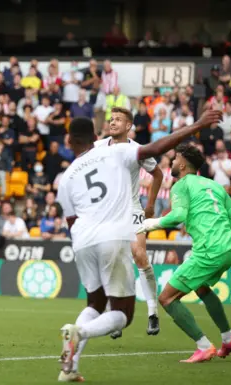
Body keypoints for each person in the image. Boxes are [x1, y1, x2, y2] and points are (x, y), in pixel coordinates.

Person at [56, 109, 222, 381]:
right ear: (96, 136)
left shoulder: (67, 177)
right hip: (110, 236)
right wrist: (197, 125)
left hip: (82, 241)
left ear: (69, 141)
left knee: (95, 304)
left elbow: (71, 220)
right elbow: (157, 147)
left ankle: (70, 367)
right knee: (122, 314)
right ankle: (80, 332)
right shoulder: (115, 151)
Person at [137, 144, 231, 363]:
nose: (173, 163)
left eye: (175, 159)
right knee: (202, 288)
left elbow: (178, 216)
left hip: (209, 251)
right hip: (228, 249)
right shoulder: (214, 185)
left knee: (167, 298)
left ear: (182, 164)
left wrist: (148, 224)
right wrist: (221, 236)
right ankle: (228, 338)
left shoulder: (181, 185)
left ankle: (203, 346)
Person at [94, 107, 163, 338]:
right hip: (108, 211)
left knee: (139, 254)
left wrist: (151, 205)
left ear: (129, 126)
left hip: (132, 208)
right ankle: (114, 316)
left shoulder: (138, 151)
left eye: (118, 120)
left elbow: (158, 175)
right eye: (111, 119)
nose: (113, 123)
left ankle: (153, 312)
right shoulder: (99, 147)